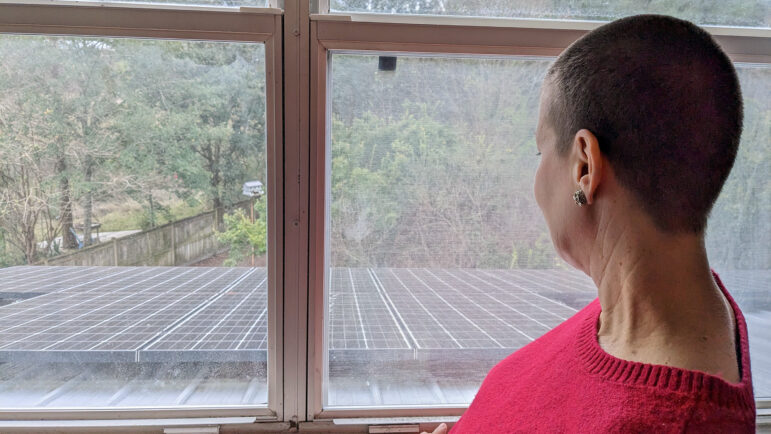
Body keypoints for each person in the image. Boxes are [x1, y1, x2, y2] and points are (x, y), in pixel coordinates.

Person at [424, 13, 756, 434]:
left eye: (541, 152)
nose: (537, 179)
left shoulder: (664, 419)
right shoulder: (651, 303)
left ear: (584, 166)